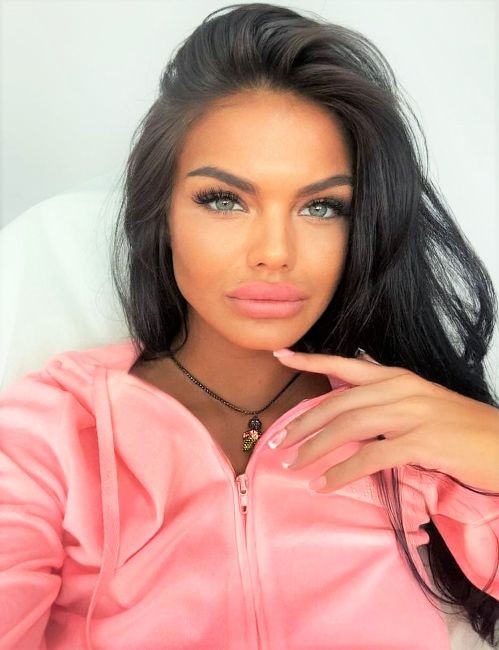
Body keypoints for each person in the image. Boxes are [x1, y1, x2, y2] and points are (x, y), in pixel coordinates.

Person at [1, 2, 498, 648]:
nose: (274, 252)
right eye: (224, 200)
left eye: (321, 207)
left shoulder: (400, 425)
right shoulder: (53, 433)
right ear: (160, 213)